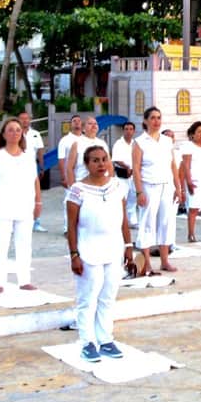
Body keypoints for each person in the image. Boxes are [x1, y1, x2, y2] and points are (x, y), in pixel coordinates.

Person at [67, 144, 134, 363]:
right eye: (95, 160)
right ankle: (87, 342)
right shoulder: (77, 190)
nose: (101, 164)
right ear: (86, 164)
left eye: (104, 159)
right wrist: (74, 254)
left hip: (113, 248)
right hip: (88, 249)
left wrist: (128, 246)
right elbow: (72, 225)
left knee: (108, 295)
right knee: (88, 296)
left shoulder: (117, 186)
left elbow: (123, 219)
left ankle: (105, 338)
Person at [0, 118, 43, 293]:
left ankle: (24, 280)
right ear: (3, 134)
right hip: (3, 203)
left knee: (25, 243)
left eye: (18, 130)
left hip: (25, 204)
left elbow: (35, 181)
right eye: (10, 130)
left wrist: (38, 202)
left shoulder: (27, 157)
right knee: (1, 243)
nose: (15, 133)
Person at [133, 107, 181, 275]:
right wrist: (139, 192)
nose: (156, 121)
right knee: (147, 223)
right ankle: (146, 262)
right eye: (152, 118)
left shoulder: (167, 141)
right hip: (148, 185)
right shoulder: (139, 142)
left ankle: (165, 260)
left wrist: (178, 186)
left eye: (159, 117)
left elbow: (173, 165)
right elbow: (136, 168)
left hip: (167, 185)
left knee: (166, 222)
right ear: (146, 121)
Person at [17, 112, 47, 233]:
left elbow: (40, 151)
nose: (25, 121)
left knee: (34, 194)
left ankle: (36, 221)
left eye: (27, 119)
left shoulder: (35, 134)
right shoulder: (15, 133)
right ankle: (18, 220)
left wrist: (42, 166)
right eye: (22, 119)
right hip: (17, 167)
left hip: (31, 167)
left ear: (30, 120)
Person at [110, 122, 137, 226]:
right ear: (123, 130)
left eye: (131, 129)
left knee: (133, 198)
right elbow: (116, 159)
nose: (128, 131)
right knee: (122, 198)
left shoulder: (135, 144)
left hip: (134, 175)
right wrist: (127, 167)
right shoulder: (118, 143)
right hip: (122, 175)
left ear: (134, 131)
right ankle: (121, 221)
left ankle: (133, 221)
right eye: (126, 129)